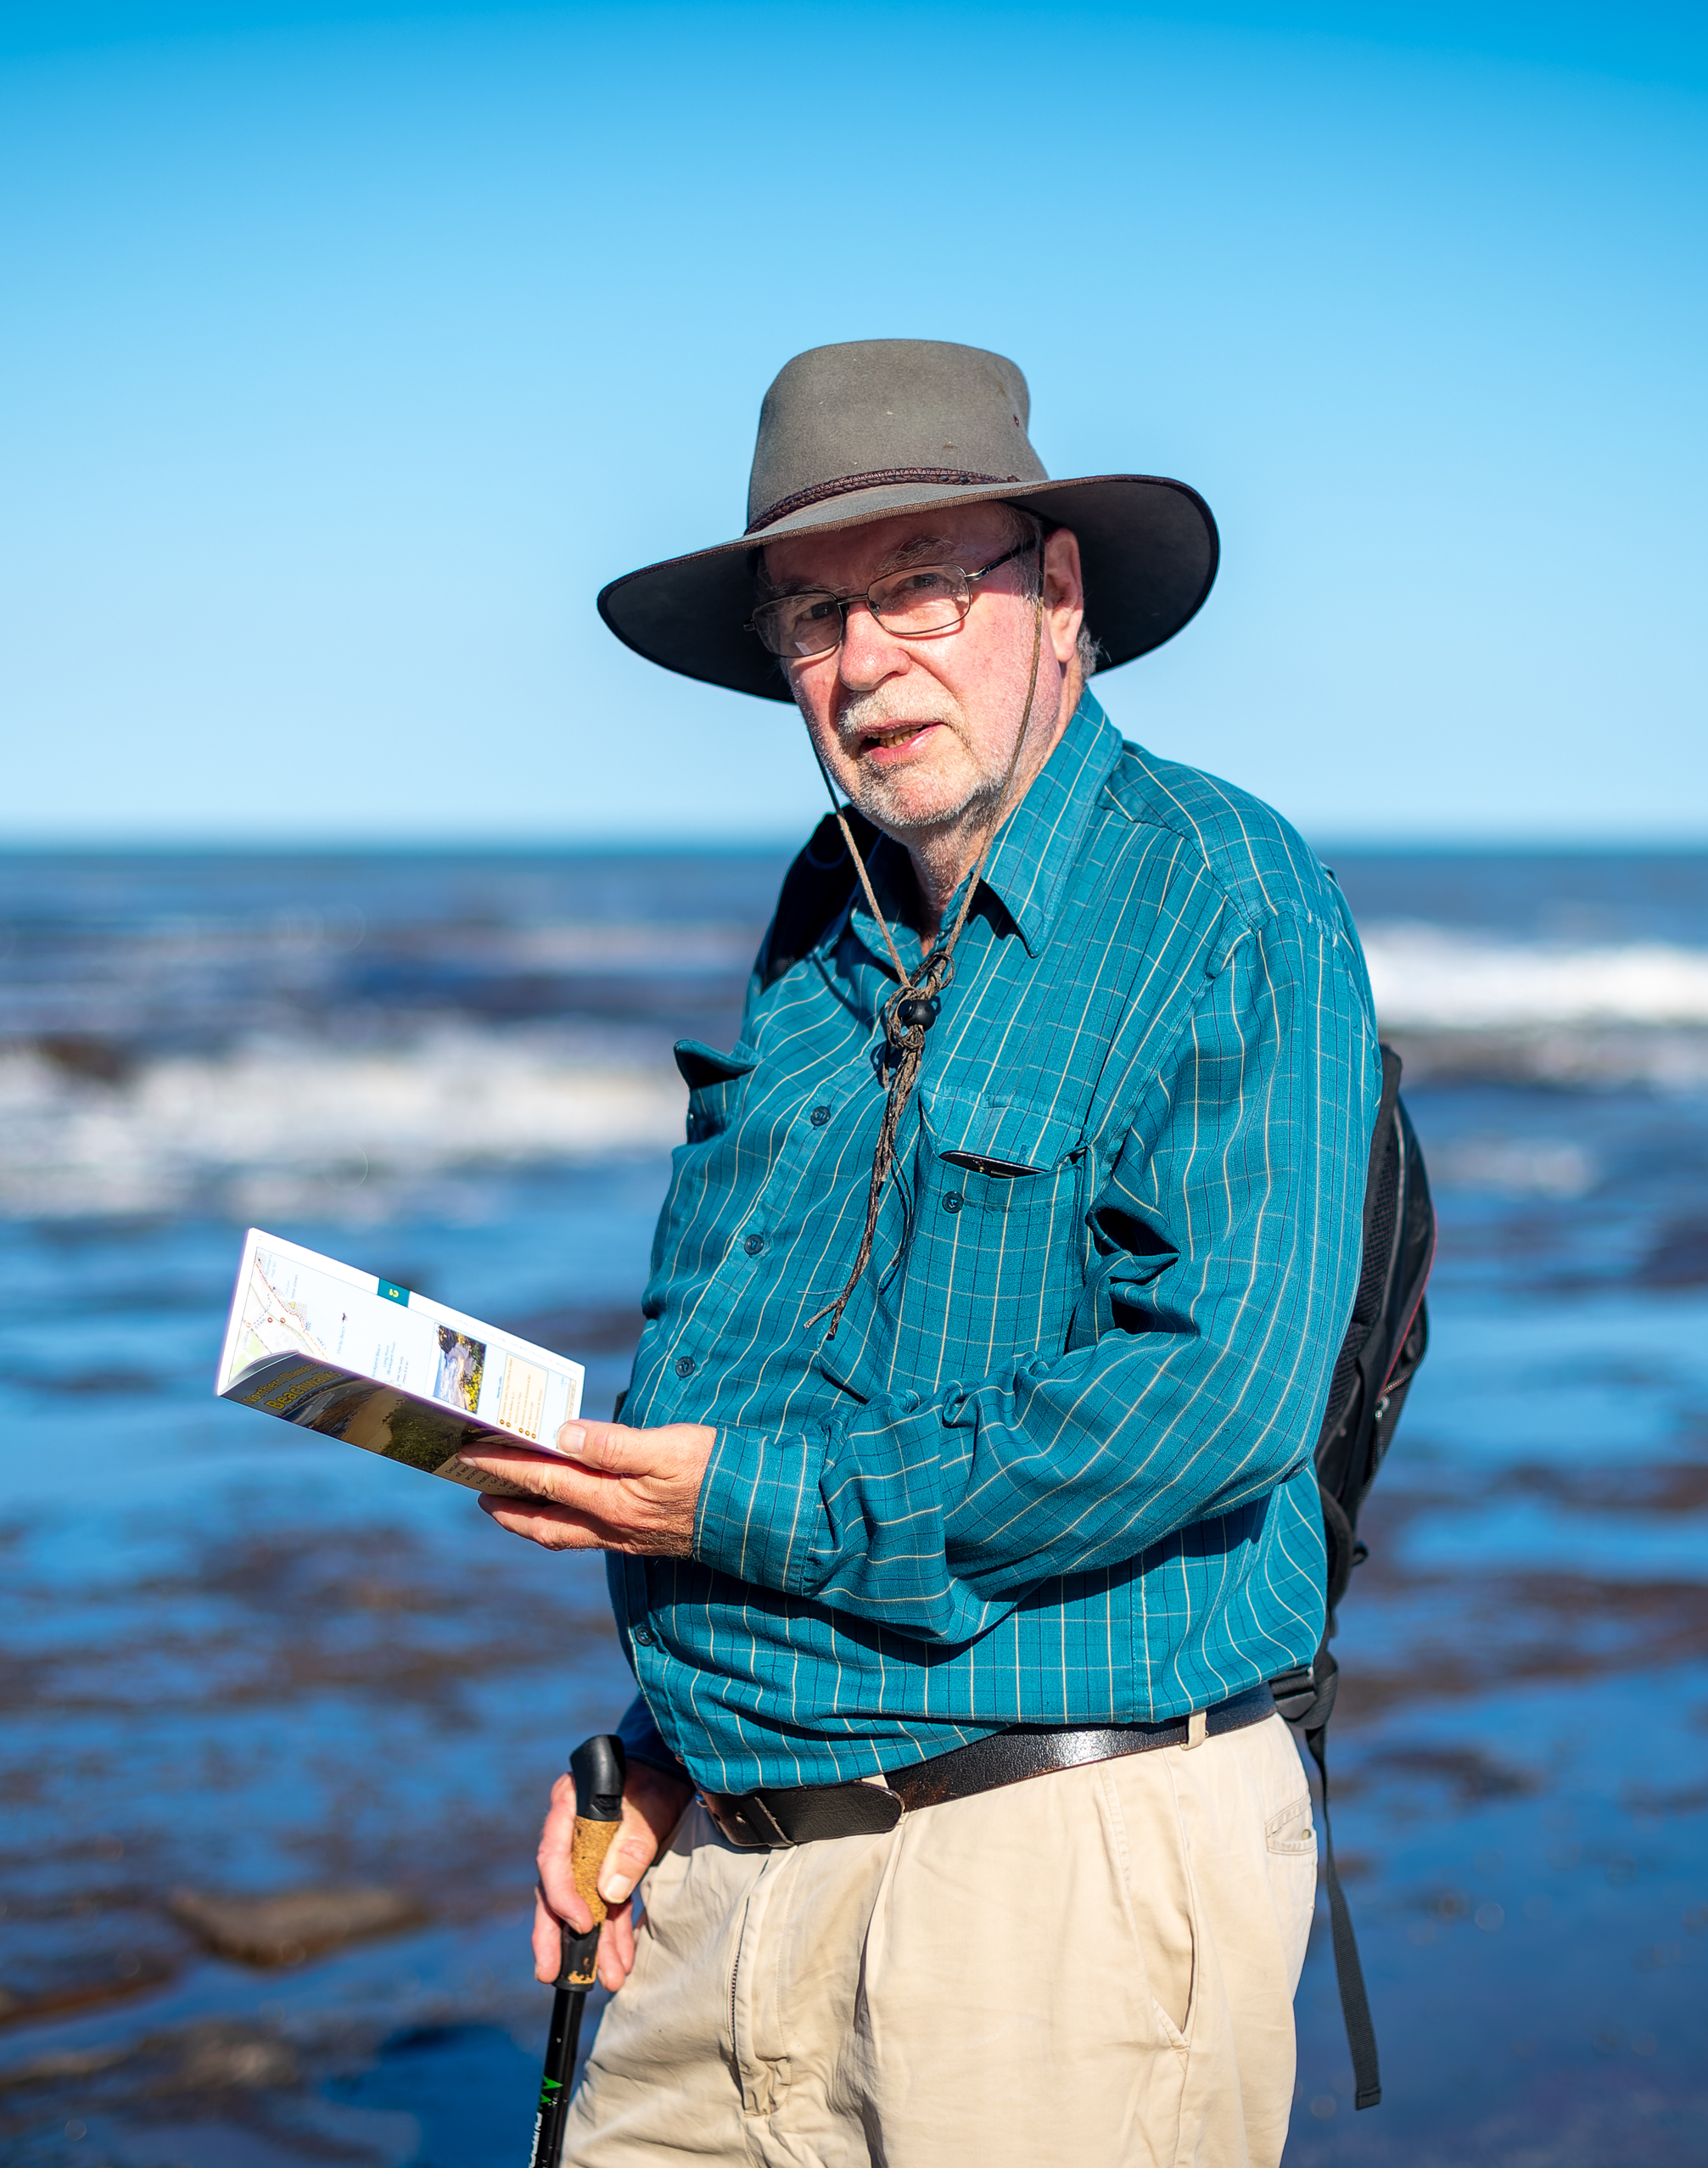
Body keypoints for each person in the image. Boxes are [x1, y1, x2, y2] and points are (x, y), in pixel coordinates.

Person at [450, 339, 1378, 2165]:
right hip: (732, 1871)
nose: (864, 662)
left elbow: (1219, 1392)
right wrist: (660, 1747)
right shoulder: (820, 931)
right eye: (812, 616)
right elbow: (770, 1384)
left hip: (1063, 1884)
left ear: (1057, 597)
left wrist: (726, 1511)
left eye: (921, 587)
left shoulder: (1225, 886)